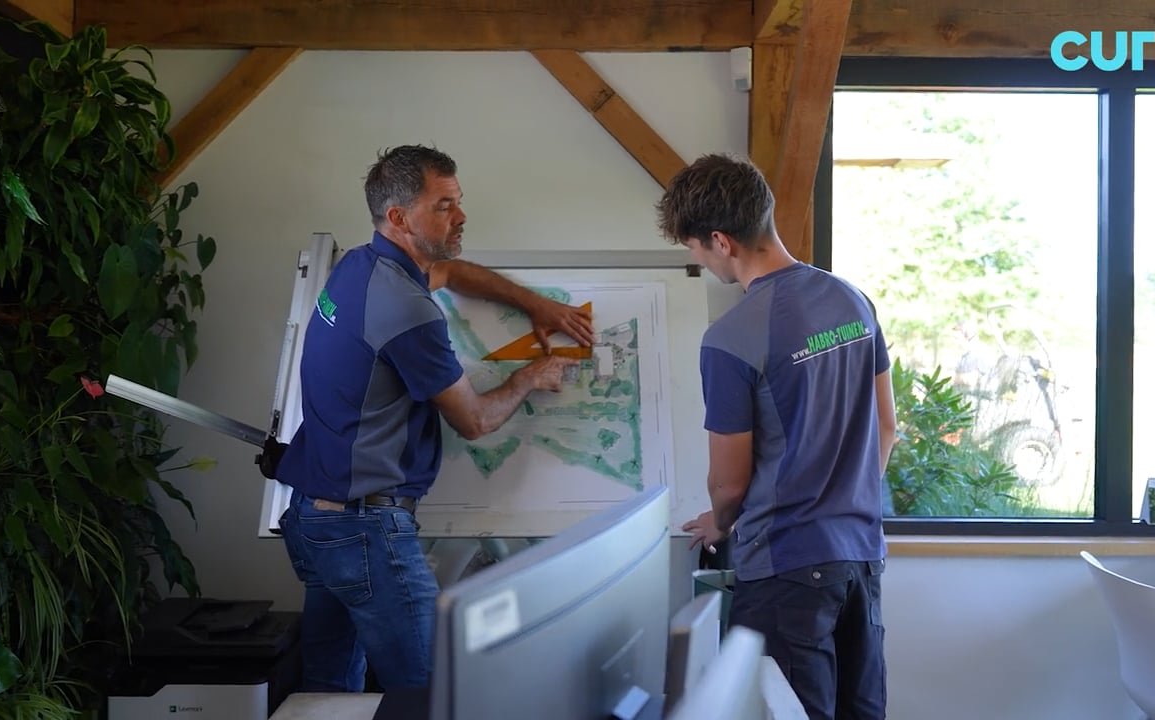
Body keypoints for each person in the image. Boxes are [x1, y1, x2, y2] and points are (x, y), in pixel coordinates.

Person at [276, 144, 594, 693]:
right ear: (399, 218)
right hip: (365, 529)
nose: (461, 215)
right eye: (444, 206)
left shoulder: (359, 267)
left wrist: (532, 303)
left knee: (329, 692)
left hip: (315, 518)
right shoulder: (406, 309)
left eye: (458, 201)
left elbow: (447, 272)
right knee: (431, 691)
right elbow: (475, 421)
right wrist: (530, 377)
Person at [659, 154, 898, 719]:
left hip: (786, 569)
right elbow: (886, 427)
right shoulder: (852, 300)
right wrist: (841, 502)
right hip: (860, 557)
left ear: (720, 241)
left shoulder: (731, 337)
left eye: (694, 248)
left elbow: (730, 482)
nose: (697, 260)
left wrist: (720, 521)